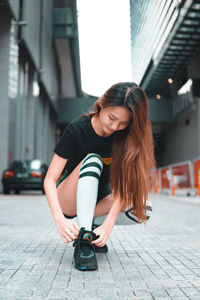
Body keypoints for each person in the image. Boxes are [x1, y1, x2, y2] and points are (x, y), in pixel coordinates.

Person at [44, 82, 155, 271]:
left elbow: (124, 187)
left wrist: (108, 225)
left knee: (144, 208)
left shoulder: (125, 137)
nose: (114, 126)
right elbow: (49, 180)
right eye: (112, 118)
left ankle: (94, 226)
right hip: (69, 199)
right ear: (102, 104)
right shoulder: (77, 129)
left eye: (123, 123)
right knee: (94, 160)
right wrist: (60, 221)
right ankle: (84, 241)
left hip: (98, 201)